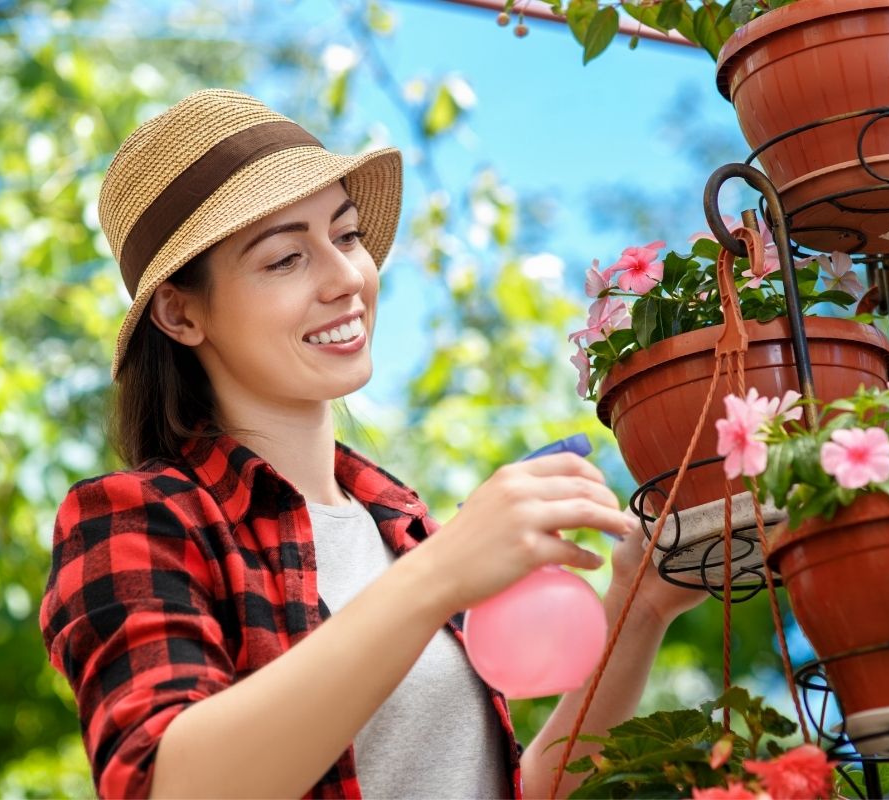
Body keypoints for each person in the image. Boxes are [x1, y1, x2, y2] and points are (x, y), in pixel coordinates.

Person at [39, 89, 704, 800]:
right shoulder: (137, 521)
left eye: (347, 235)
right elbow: (167, 786)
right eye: (285, 259)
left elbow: (504, 787)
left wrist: (640, 605)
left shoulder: (398, 521)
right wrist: (439, 576)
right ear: (180, 312)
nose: (347, 277)